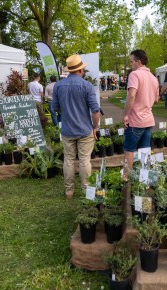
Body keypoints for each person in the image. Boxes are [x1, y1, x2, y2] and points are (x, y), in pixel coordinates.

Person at [51, 54, 100, 199]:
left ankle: (69, 192)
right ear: (80, 70)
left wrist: (67, 109)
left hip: (67, 129)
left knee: (69, 160)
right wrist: (95, 127)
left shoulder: (58, 86)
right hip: (85, 129)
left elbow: (55, 108)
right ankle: (86, 191)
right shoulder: (87, 86)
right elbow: (95, 110)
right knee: (85, 160)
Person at [123, 49, 159, 175]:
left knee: (129, 151)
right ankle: (145, 180)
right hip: (148, 119)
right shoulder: (153, 78)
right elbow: (156, 99)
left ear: (138, 62)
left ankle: (126, 179)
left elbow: (131, 96)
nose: (130, 64)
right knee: (145, 151)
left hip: (135, 120)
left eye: (131, 61)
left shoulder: (134, 75)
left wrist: (126, 114)